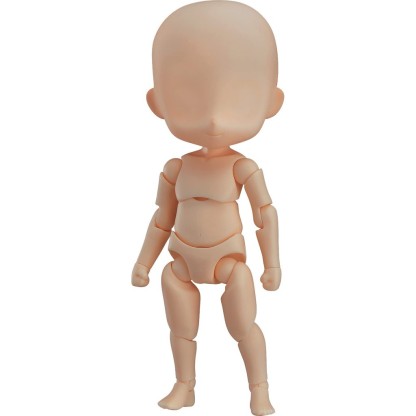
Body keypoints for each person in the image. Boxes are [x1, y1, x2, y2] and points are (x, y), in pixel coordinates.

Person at [132, 2, 284, 415]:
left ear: (272, 101)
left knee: (243, 326)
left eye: (240, 95)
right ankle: (185, 385)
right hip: (181, 259)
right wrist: (144, 261)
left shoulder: (242, 167)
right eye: (187, 94)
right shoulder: (176, 168)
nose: (214, 117)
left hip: (229, 263)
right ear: (157, 101)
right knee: (180, 327)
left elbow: (265, 215)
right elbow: (161, 220)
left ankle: (259, 388)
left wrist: (272, 264)